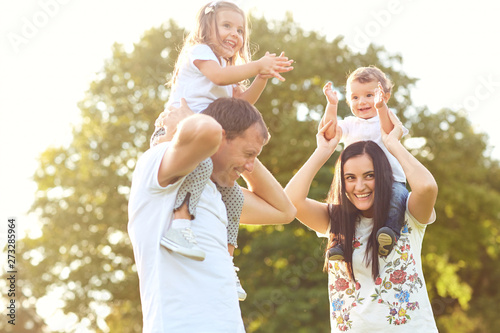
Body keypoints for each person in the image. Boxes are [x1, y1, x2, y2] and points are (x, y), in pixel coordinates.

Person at [151, 0, 293, 300]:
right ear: (207, 28)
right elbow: (216, 77)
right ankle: (180, 224)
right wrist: (256, 65)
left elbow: (242, 105)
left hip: (208, 142)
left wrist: (261, 77)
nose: (235, 34)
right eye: (227, 26)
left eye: (240, 29)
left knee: (232, 197)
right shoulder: (201, 53)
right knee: (200, 165)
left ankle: (227, 261)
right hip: (176, 134)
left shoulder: (231, 69)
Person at [128, 97, 296, 333]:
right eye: (248, 154)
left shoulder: (216, 194)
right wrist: (186, 122)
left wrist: (246, 157)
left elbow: (285, 211)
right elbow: (207, 130)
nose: (251, 166)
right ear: (221, 138)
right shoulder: (163, 164)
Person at [284, 110, 439, 331]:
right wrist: (323, 151)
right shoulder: (335, 221)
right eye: (350, 178)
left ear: (384, 175)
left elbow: (427, 187)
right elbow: (290, 201)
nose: (360, 186)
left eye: (370, 175)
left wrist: (393, 144)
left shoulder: (407, 213)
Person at [319, 66, 409, 260]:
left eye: (369, 95)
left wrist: (380, 107)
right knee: (340, 207)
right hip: (358, 183)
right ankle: (339, 243)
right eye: (355, 97)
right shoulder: (351, 123)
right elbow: (329, 133)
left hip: (392, 179)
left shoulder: (385, 116)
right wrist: (332, 105)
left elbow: (388, 130)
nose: (362, 102)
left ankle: (389, 234)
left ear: (385, 95)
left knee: (398, 198)